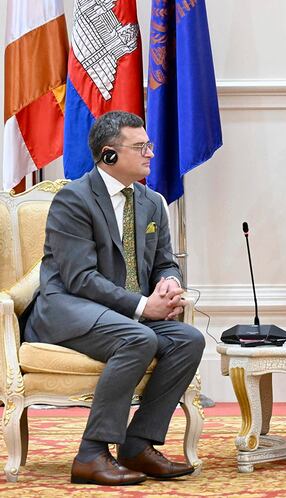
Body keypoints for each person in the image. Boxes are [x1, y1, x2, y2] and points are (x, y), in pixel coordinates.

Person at [24, 111, 205, 486]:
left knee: (189, 340)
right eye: (140, 147)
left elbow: (165, 262)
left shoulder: (151, 202)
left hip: (123, 313)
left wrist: (168, 283)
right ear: (108, 155)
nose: (150, 154)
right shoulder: (73, 200)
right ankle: (90, 454)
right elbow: (79, 278)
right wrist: (143, 306)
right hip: (67, 309)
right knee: (138, 337)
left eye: (149, 145)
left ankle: (138, 445)